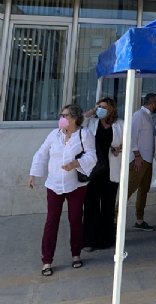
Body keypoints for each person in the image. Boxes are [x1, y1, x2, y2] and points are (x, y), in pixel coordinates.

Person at [28, 104, 97, 277]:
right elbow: (41, 153)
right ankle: (47, 260)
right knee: (51, 221)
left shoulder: (84, 134)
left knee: (75, 219)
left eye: (64, 115)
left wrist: (76, 163)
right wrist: (33, 174)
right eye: (61, 115)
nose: (61, 118)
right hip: (54, 184)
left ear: (74, 118)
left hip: (75, 185)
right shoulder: (54, 135)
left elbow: (92, 155)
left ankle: (76, 254)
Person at [82, 97, 124, 251]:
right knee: (91, 205)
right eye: (98, 106)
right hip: (94, 172)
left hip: (111, 170)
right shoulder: (92, 122)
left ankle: (106, 239)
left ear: (111, 109)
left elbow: (128, 142)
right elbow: (79, 121)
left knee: (108, 205)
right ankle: (89, 241)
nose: (100, 109)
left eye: (104, 107)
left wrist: (119, 148)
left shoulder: (120, 124)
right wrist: (93, 111)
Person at [127, 93, 156, 231]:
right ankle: (114, 219)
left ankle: (139, 220)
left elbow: (152, 132)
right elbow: (131, 136)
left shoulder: (148, 116)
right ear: (152, 102)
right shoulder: (138, 115)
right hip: (139, 160)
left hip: (148, 160)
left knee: (143, 190)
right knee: (128, 189)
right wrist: (137, 156)